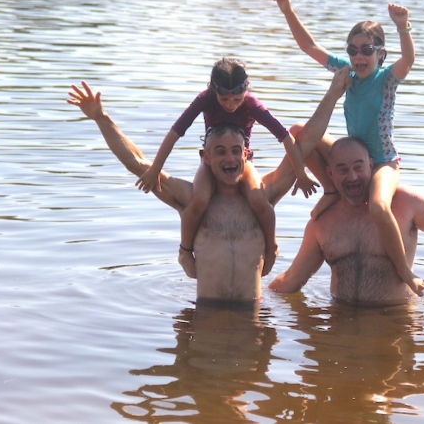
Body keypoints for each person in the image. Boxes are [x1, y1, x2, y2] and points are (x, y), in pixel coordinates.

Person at [66, 67, 352, 303]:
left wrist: (334, 92)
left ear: (245, 154)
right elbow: (138, 164)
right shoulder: (192, 200)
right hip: (204, 321)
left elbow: (306, 142)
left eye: (235, 151)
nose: (229, 158)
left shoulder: (262, 195)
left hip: (250, 320)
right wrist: (101, 119)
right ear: (206, 158)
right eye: (219, 151)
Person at [273, 0, 424, 296]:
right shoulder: (348, 73)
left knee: (380, 208)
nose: (358, 57)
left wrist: (403, 26)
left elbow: (408, 60)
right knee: (300, 131)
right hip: (353, 157)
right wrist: (288, 10)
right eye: (353, 50)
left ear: (380, 54)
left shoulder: (386, 79)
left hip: (382, 162)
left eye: (366, 50)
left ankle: (406, 273)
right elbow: (309, 47)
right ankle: (332, 190)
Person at [135, 58, 318, 276]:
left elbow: (286, 138)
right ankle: (185, 250)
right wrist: (155, 169)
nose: (230, 104)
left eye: (236, 98)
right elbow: (175, 133)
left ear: (246, 89)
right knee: (199, 198)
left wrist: (301, 173)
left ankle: (272, 247)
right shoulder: (205, 99)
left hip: (243, 161)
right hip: (211, 160)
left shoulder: (252, 104)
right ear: (213, 89)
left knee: (259, 199)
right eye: (224, 99)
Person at [269, 136, 424, 305]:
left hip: (396, 320)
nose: (352, 177)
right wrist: (258, 302)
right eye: (342, 170)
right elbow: (292, 279)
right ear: (330, 174)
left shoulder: (406, 202)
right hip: (340, 323)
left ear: (371, 166)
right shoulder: (321, 223)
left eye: (358, 167)